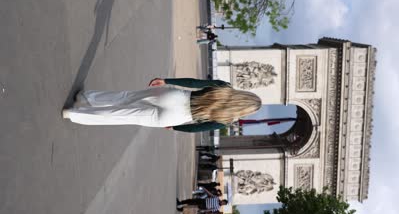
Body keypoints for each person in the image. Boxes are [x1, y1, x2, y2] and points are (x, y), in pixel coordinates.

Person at [62, 78, 261, 132]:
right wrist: (173, 127)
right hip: (177, 117)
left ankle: (87, 97)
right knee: (121, 116)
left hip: (177, 97)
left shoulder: (224, 87)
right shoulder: (224, 120)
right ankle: (73, 114)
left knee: (126, 97)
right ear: (244, 110)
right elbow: (196, 129)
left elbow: (195, 83)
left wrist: (166, 80)